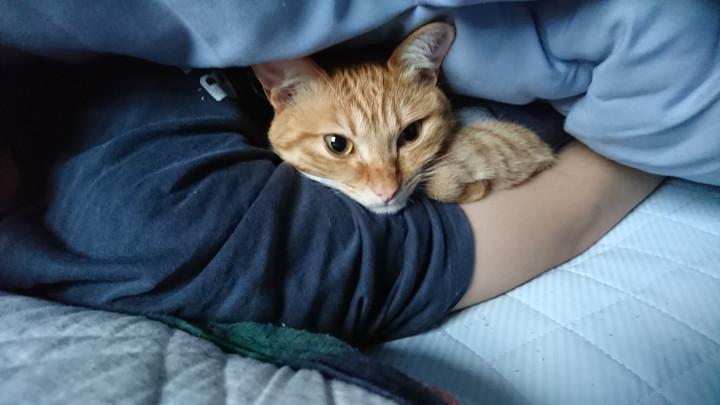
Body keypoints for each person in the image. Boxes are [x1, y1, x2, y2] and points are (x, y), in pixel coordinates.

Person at [2, 1, 714, 343]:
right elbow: (567, 203)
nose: (384, 182)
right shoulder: (162, 229)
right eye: (344, 149)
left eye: (405, 143)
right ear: (279, 94)